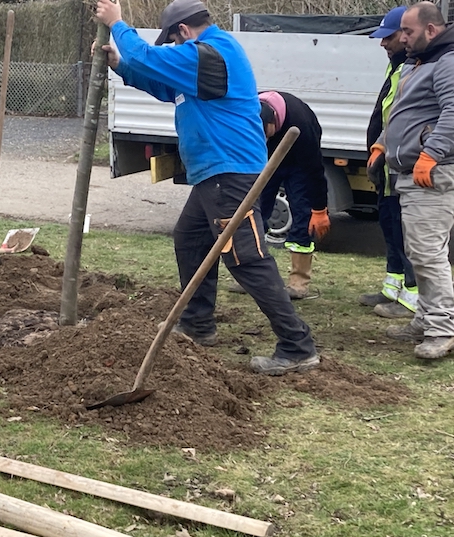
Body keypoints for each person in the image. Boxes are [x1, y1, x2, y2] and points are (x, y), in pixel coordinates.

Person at [94, 0, 319, 375]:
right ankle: (198, 325)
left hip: (229, 173)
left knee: (246, 257)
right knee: (190, 239)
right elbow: (163, 84)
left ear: (183, 31)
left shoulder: (211, 54)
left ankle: (297, 346)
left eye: (173, 42)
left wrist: (118, 24)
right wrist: (121, 65)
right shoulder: (201, 65)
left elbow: (149, 57)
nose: (173, 50)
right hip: (212, 174)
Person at [368, 2, 454, 359]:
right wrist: (383, 141)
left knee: (427, 252)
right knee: (419, 251)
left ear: (431, 30)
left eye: (407, 32)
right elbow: (405, 111)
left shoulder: (449, 63)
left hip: (432, 174)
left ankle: (442, 328)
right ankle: (425, 318)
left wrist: (430, 154)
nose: (401, 38)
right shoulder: (419, 62)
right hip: (411, 172)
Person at [359, 6, 418, 320]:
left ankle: (411, 298)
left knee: (405, 230)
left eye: (389, 37)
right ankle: (392, 286)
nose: (383, 44)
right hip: (385, 163)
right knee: (390, 227)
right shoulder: (396, 66)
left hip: (399, 162)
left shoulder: (413, 69)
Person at [257, 91, 330, 299]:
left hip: (298, 163)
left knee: (302, 215)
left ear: (274, 122)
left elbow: (315, 171)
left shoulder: (301, 125)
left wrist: (320, 209)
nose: (264, 138)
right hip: (267, 160)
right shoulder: (249, 109)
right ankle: (254, 277)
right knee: (255, 211)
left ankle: (299, 283)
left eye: (266, 133)